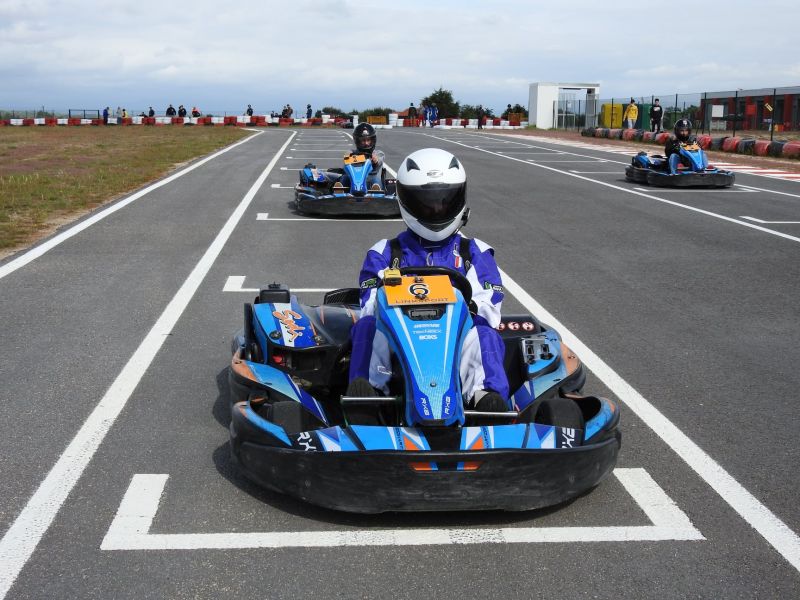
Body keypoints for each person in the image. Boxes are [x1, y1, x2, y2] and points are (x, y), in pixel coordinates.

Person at [346, 148, 510, 413]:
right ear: (406, 200)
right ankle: (368, 398)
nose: (437, 209)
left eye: (445, 201)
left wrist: (464, 309)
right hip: (400, 345)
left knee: (483, 334)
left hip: (454, 343)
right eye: (427, 203)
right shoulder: (386, 253)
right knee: (366, 326)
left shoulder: (474, 252)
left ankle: (485, 401)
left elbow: (489, 304)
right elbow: (369, 303)